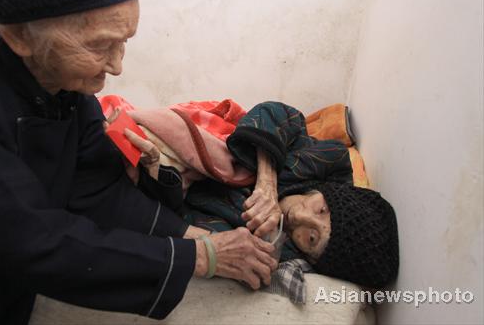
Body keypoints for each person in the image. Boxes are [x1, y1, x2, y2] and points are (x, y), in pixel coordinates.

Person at [0, 0, 278, 324]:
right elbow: (29, 238)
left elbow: (99, 194)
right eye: (100, 46)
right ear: (20, 37)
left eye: (124, 43)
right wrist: (201, 256)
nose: (117, 67)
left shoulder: (72, 98)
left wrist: (198, 236)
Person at [126, 101, 399, 288]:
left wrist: (160, 177)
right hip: (225, 149)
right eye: (321, 210)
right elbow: (276, 113)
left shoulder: (269, 248)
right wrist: (266, 181)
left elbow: (179, 218)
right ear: (329, 195)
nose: (300, 216)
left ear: (314, 260)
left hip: (178, 183)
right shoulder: (325, 162)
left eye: (312, 237)